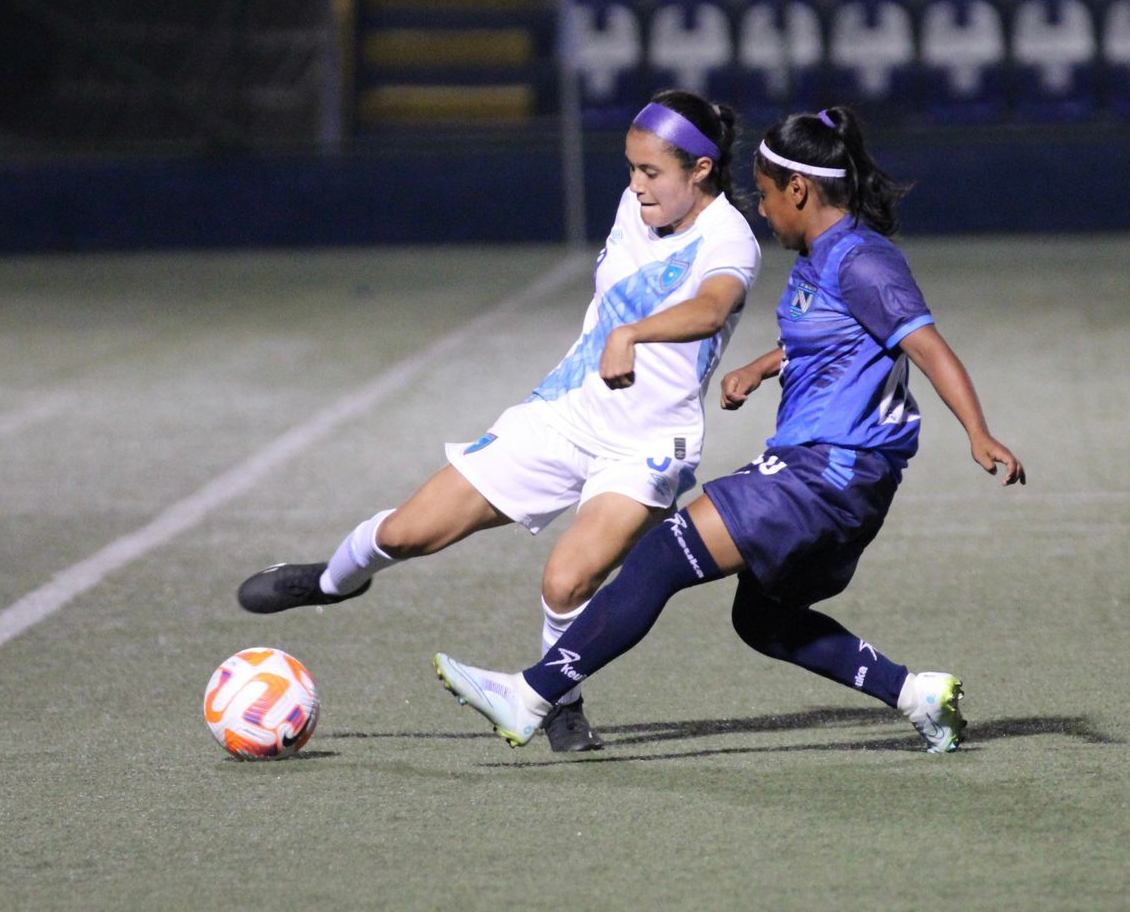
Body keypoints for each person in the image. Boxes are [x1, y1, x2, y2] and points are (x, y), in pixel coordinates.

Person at [434, 106, 1025, 754]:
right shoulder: (823, 256)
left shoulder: (861, 261)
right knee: (762, 621)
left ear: (799, 190)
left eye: (767, 196)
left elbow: (928, 346)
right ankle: (917, 695)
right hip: (845, 482)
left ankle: (531, 696)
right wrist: (764, 365)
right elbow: (839, 338)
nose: (762, 212)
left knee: (664, 554)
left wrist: (978, 432)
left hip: (825, 472)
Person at [237, 89, 761, 752]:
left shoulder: (730, 239)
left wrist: (631, 333)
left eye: (651, 171)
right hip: (563, 412)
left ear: (703, 170)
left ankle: (560, 703)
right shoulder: (641, 205)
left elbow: (713, 308)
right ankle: (330, 581)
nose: (635, 185)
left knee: (567, 579)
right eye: (630, 168)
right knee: (407, 532)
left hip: (650, 443)